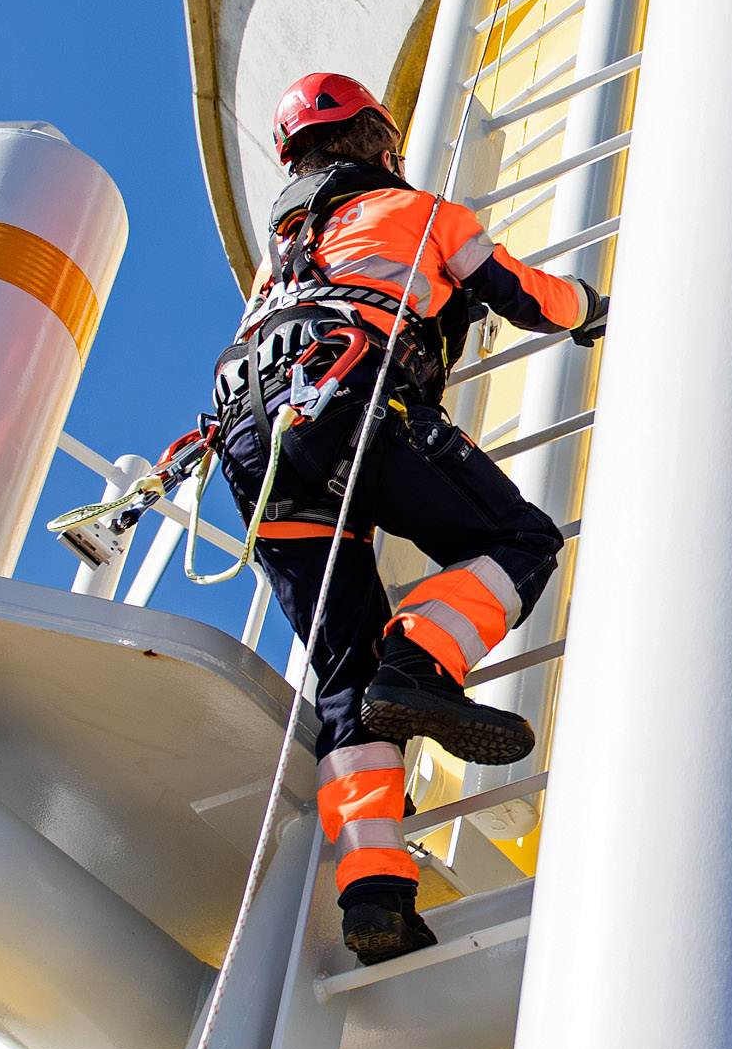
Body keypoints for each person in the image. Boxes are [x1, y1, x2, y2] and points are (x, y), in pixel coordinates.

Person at [213, 71, 605, 965]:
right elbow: (520, 293)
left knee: (344, 688)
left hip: (256, 459)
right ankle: (422, 661)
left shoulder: (277, 264)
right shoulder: (415, 211)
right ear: (376, 142)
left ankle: (375, 893)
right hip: (357, 410)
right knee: (519, 540)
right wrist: (593, 309)